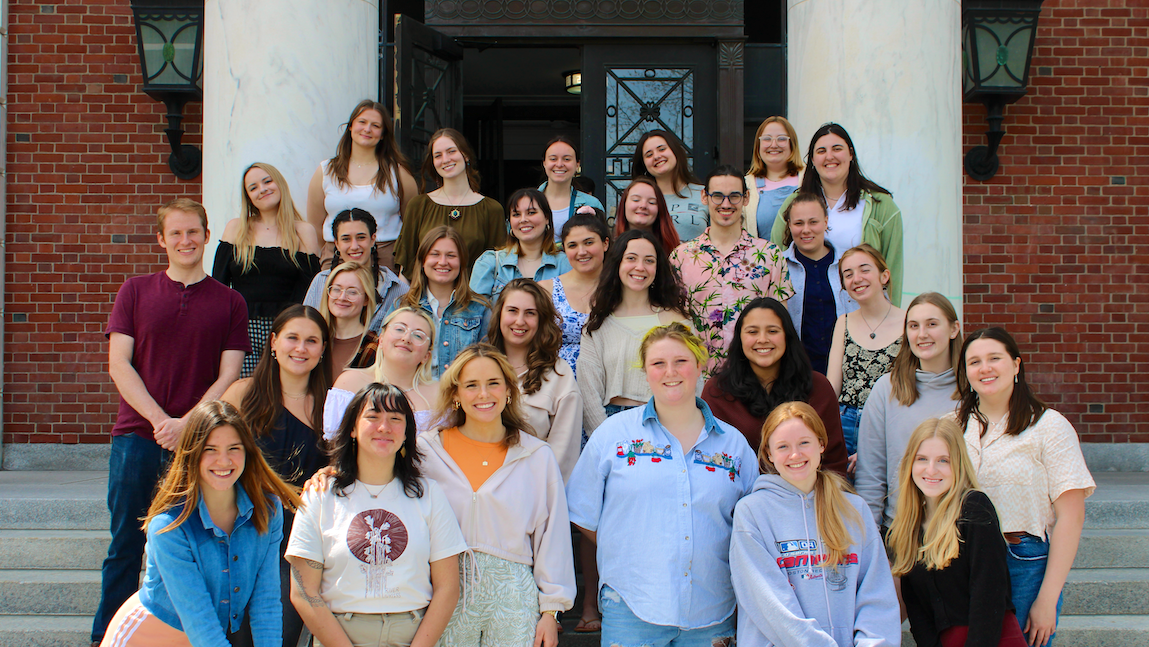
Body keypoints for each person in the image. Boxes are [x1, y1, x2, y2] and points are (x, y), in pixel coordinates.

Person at [92, 198, 249, 647]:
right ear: (161, 239)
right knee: (126, 544)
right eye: (175, 233)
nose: (185, 241)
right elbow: (119, 365)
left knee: (198, 545)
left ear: (206, 233)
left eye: (193, 232)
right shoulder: (135, 291)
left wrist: (190, 424)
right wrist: (163, 420)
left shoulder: (230, 301)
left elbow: (229, 372)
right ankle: (107, 637)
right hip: (138, 438)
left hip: (202, 445)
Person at [567, 323, 757, 646]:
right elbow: (582, 511)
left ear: (700, 366)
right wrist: (628, 546)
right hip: (632, 607)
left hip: (712, 613)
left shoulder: (734, 446)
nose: (670, 372)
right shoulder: (613, 436)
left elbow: (754, 522)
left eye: (681, 361)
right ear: (646, 372)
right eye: (658, 364)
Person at [98, 401, 301, 647]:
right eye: (210, 449)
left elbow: (265, 601)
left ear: (248, 451)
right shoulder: (169, 526)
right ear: (192, 453)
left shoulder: (267, 509)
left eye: (233, 448)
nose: (224, 461)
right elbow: (200, 621)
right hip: (145, 639)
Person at [286, 384, 467, 647]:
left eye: (395, 419)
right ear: (352, 428)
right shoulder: (321, 494)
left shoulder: (429, 494)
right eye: (373, 417)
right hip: (338, 634)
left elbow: (448, 588)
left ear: (406, 432)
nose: (384, 427)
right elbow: (303, 592)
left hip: (412, 635)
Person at [420, 344, 576, 647]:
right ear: (455, 394)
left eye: (494, 383)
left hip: (513, 599)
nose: (483, 394)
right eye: (471, 385)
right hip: (443, 593)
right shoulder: (426, 451)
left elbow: (552, 534)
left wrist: (551, 611)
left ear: (508, 391)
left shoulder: (535, 455)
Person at [955, 328, 1095, 647]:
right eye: (974, 361)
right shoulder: (952, 426)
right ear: (965, 372)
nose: (984, 368)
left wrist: (1047, 599)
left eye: (995, 358)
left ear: (1016, 365)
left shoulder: (1049, 426)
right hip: (962, 560)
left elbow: (1071, 517)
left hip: (1022, 563)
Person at [729, 401, 900, 647]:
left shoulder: (854, 509)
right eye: (783, 446)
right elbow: (769, 603)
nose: (795, 454)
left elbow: (876, 594)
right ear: (768, 453)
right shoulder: (752, 513)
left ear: (821, 444)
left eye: (804, 443)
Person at [222, 304, 333, 647]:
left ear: (322, 349)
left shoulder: (331, 404)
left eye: (312, 341)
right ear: (273, 342)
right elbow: (209, 458)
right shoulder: (243, 394)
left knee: (280, 637)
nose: (301, 348)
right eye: (292, 338)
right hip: (241, 533)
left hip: (295, 543)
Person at [888, 418, 1028, 647]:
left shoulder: (974, 508)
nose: (931, 469)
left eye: (943, 460)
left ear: (958, 465)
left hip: (991, 639)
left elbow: (988, 595)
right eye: (922, 459)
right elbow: (917, 611)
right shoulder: (907, 528)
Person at [702, 297, 849, 477]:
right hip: (741, 500)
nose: (762, 339)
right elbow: (711, 463)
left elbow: (834, 462)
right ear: (739, 338)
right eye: (752, 332)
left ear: (787, 335)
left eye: (772, 331)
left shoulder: (818, 387)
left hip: (811, 497)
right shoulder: (717, 391)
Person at [670, 165, 793, 374]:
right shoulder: (681, 257)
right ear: (704, 197)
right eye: (717, 196)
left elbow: (780, 324)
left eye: (734, 196)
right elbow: (673, 326)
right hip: (699, 380)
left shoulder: (770, 255)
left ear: (746, 198)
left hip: (756, 377)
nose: (725, 204)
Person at [855, 292, 963, 530]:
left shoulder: (973, 392)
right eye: (913, 326)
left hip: (960, 530)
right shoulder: (887, 389)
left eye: (932, 324)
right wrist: (871, 542)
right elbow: (870, 476)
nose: (922, 334)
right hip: (901, 531)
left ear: (954, 329)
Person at [770, 123, 903, 306]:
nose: (829, 156)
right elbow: (776, 261)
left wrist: (890, 321)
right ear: (813, 160)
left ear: (850, 154)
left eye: (837, 149)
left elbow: (893, 268)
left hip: (862, 314)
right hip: (805, 314)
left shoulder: (881, 205)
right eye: (821, 151)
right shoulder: (793, 203)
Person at [577, 228, 694, 434]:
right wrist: (607, 440)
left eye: (649, 260)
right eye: (631, 258)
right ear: (617, 264)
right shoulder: (597, 324)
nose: (640, 267)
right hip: (612, 424)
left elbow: (694, 381)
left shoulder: (677, 321)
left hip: (667, 422)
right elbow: (589, 394)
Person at [214, 162, 321, 376]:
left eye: (267, 181)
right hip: (242, 328)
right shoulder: (236, 228)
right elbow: (218, 286)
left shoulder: (303, 231)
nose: (262, 189)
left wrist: (293, 330)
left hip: (287, 330)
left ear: (279, 183)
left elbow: (310, 289)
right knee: (243, 393)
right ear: (248, 197)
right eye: (253, 187)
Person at [306, 99, 419, 271]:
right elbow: (315, 225)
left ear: (383, 134)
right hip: (336, 259)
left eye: (375, 125)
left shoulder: (398, 174)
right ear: (350, 126)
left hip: (386, 260)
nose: (367, 129)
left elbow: (412, 227)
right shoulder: (326, 171)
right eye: (362, 122)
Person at [487, 278, 582, 481]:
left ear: (541, 320)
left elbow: (563, 455)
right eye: (512, 310)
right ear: (499, 314)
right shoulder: (478, 366)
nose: (519, 321)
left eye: (530, 313)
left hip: (532, 492)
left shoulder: (560, 375)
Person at [827, 244, 905, 466]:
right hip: (846, 424)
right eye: (848, 274)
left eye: (864, 269)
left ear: (884, 275)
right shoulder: (843, 322)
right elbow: (833, 386)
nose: (856, 278)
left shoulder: (910, 322)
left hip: (890, 423)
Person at [395, 128, 504, 280]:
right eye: (438, 155)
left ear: (465, 155)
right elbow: (406, 268)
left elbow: (498, 269)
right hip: (425, 299)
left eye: (451, 151)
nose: (445, 159)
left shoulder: (491, 209)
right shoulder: (419, 206)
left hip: (474, 298)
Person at [325, 307, 440, 438]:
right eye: (399, 329)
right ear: (381, 339)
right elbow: (334, 445)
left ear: (427, 355)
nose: (406, 338)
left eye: (418, 335)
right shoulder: (350, 383)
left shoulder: (439, 395)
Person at [393, 226, 491, 379]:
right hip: (412, 396)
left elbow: (488, 363)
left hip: (459, 397)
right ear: (423, 261)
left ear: (462, 262)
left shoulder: (479, 309)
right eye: (435, 254)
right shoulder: (403, 306)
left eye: (451, 255)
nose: (443, 262)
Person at [779, 191, 857, 374]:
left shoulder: (849, 264)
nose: (806, 229)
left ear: (826, 222)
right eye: (799, 223)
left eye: (813, 222)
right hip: (797, 371)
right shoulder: (777, 266)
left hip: (846, 368)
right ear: (789, 225)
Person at [303, 208, 409, 333]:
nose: (354, 246)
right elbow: (306, 327)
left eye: (361, 237)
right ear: (336, 243)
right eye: (346, 239)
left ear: (373, 239)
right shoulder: (321, 282)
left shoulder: (398, 289)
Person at [539, 213, 611, 378]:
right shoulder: (546, 290)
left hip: (610, 388)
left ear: (605, 243)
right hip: (559, 387)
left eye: (589, 242)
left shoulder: (620, 289)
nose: (582, 252)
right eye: (572, 245)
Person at [469, 188, 571, 300]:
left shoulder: (565, 264)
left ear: (547, 217)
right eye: (516, 214)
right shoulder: (490, 263)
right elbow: (472, 314)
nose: (523, 219)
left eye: (531, 213)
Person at [630, 129, 707, 241]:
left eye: (662, 149)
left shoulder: (703, 194)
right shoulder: (637, 200)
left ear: (675, 151)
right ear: (644, 164)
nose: (656, 156)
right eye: (649, 155)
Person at [744, 116, 804, 240]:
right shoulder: (746, 186)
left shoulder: (810, 178)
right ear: (758, 145)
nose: (774, 145)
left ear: (792, 144)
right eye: (767, 139)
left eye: (781, 139)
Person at [317, 262, 379, 378]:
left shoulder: (375, 348)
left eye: (352, 292)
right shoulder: (313, 339)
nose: (342, 297)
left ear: (366, 299)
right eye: (336, 289)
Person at [538, 135, 605, 238]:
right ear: (544, 163)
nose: (559, 164)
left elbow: (601, 243)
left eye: (567, 159)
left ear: (577, 165)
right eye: (553, 159)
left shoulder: (591, 203)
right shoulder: (528, 202)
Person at [612, 176, 680, 255]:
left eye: (652, 202)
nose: (643, 206)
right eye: (636, 200)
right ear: (624, 204)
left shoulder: (676, 252)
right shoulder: (607, 248)